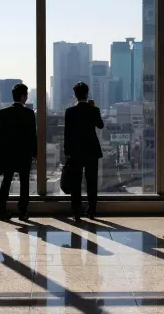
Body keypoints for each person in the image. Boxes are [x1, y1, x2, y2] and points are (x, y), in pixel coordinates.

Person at [0, 83, 37, 221]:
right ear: (23, 97)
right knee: (24, 182)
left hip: (8, 154)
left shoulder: (3, 113)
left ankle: (2, 211)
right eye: (26, 95)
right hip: (24, 154)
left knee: (6, 181)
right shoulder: (29, 113)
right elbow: (32, 135)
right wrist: (34, 153)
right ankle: (23, 212)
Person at [64, 82, 104, 221]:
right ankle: (91, 210)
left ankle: (76, 212)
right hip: (92, 150)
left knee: (76, 182)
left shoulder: (70, 112)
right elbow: (100, 125)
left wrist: (66, 152)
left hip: (75, 151)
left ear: (75, 95)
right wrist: (93, 108)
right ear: (87, 94)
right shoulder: (94, 110)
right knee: (91, 181)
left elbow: (67, 134)